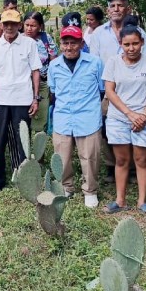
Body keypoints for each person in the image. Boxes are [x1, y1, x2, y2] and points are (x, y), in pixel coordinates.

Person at [102, 26, 146, 216]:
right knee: (121, 160)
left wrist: (144, 116)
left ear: (142, 43)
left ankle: (142, 201)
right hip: (119, 118)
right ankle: (120, 200)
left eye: (135, 43)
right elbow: (110, 91)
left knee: (142, 159)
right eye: (127, 44)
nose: (131, 48)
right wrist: (129, 114)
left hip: (145, 118)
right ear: (120, 44)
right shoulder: (113, 62)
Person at [89, 0, 146, 183]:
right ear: (108, 10)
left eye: (120, 5)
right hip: (107, 90)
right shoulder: (99, 33)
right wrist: (98, 90)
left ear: (128, 9)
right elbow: (94, 62)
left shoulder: (139, 34)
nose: (116, 9)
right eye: (113, 6)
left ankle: (132, 167)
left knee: (134, 125)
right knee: (108, 128)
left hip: (134, 90)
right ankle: (111, 165)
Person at [0, 9, 41, 191]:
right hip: (0, 98)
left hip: (23, 98)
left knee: (22, 141)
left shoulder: (29, 43)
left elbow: (35, 71)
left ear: (19, 25)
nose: (9, 27)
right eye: (6, 24)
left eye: (13, 24)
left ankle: (24, 178)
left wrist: (35, 98)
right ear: (1, 25)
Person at [48, 26, 104, 208]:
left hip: (88, 117)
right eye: (65, 43)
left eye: (73, 43)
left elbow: (102, 90)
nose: (69, 47)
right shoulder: (54, 65)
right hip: (63, 117)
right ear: (60, 44)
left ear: (81, 43)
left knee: (90, 157)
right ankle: (66, 187)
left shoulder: (95, 63)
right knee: (62, 157)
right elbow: (53, 91)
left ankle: (90, 190)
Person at [23, 11, 57, 134]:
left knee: (41, 115)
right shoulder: (19, 39)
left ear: (40, 26)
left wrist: (52, 84)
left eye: (33, 26)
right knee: (23, 118)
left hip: (42, 83)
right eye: (27, 25)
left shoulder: (46, 38)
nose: (29, 28)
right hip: (24, 84)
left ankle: (38, 142)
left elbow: (53, 61)